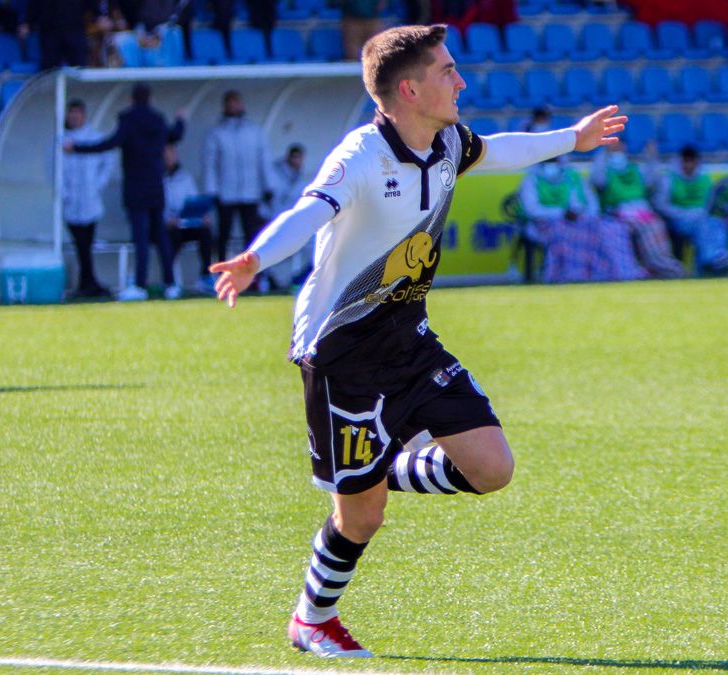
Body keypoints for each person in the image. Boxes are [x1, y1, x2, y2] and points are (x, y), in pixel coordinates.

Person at [206, 24, 626, 657]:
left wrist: (574, 138)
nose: (460, 81)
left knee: (491, 469)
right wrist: (255, 260)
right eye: (447, 71)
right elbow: (310, 212)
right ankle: (311, 619)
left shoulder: (449, 141)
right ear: (409, 88)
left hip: (409, 336)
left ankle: (381, 466)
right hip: (341, 351)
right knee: (362, 517)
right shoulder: (360, 156)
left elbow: (499, 150)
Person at [65, 83, 186, 301]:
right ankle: (171, 284)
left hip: (136, 188)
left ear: (132, 99)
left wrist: (77, 148)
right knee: (161, 236)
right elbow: (175, 135)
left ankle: (140, 285)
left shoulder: (128, 121)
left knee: (140, 237)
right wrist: (180, 119)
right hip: (156, 187)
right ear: (149, 99)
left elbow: (109, 144)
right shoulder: (157, 120)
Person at [521, 154, 645, 283]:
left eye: (554, 160)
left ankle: (617, 273)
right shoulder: (531, 180)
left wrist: (580, 213)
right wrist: (562, 213)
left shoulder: (572, 177)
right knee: (564, 232)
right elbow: (532, 209)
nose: (552, 165)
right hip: (545, 223)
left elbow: (590, 203)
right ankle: (569, 276)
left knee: (611, 228)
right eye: (548, 161)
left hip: (579, 220)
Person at [203, 90, 276, 289]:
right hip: (226, 194)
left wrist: (268, 185)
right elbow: (210, 165)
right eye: (231, 103)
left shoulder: (254, 131)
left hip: (250, 193)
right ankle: (220, 274)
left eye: (237, 102)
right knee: (223, 236)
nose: (234, 106)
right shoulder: (218, 133)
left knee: (251, 236)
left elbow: (264, 160)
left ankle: (254, 277)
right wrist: (213, 191)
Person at [590, 140, 688, 278]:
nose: (617, 153)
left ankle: (666, 267)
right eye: (613, 149)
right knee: (619, 232)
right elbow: (596, 180)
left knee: (656, 235)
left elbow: (652, 181)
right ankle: (631, 272)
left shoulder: (635, 169)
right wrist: (603, 154)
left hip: (643, 214)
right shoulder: (605, 171)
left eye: (619, 149)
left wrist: (651, 157)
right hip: (617, 214)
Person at [651, 145, 728, 276]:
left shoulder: (704, 180)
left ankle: (714, 259)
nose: (689, 165)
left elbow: (707, 205)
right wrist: (683, 213)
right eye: (686, 161)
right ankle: (714, 259)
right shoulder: (669, 179)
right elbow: (660, 205)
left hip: (699, 218)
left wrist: (698, 213)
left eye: (691, 161)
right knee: (703, 226)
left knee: (717, 223)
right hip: (677, 220)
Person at [62, 99, 116, 298]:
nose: (75, 117)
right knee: (80, 245)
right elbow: (54, 170)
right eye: (71, 113)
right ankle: (88, 283)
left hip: (91, 201)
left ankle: (87, 283)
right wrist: (64, 193)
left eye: (78, 113)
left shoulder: (95, 137)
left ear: (84, 115)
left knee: (86, 244)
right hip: (71, 202)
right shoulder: (61, 140)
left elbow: (108, 164)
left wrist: (97, 185)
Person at [163, 142, 217, 294]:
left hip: (187, 224)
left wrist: (201, 216)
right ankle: (169, 281)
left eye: (171, 153)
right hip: (168, 227)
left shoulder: (185, 177)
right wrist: (167, 219)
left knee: (206, 232)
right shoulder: (156, 179)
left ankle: (205, 276)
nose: (167, 157)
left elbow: (193, 200)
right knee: (170, 238)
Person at [266, 144, 315, 287]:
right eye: (295, 157)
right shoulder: (275, 175)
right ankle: (270, 280)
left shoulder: (302, 178)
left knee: (312, 245)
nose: (297, 161)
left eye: (300, 158)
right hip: (275, 221)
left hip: (295, 221)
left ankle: (298, 279)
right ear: (288, 157)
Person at [20, 0, 111, 69]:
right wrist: (27, 22)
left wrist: (99, 16)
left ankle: (79, 92)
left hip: (75, 31)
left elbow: (90, 2)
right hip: (50, 33)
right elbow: (34, 4)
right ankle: (49, 93)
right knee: (50, 69)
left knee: (79, 68)